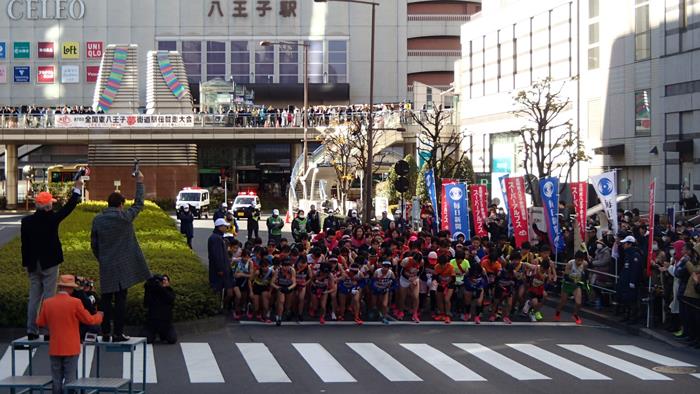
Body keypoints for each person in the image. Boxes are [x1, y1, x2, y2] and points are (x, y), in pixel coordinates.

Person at [91, 171, 151, 342]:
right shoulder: (125, 217)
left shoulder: (98, 220)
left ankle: (104, 332)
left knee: (106, 300)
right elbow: (139, 204)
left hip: (107, 265)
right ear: (120, 205)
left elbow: (93, 244)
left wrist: (101, 258)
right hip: (123, 266)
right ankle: (118, 333)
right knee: (120, 301)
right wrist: (140, 181)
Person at [21, 176, 83, 340]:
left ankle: (31, 330)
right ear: (48, 206)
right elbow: (69, 207)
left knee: (33, 297)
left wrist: (27, 263)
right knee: (49, 296)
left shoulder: (26, 221)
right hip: (50, 262)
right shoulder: (52, 218)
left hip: (33, 263)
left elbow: (24, 245)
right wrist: (77, 188)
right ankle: (48, 331)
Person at [36, 275, 103, 394]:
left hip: (55, 347)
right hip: (71, 346)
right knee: (70, 378)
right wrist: (99, 316)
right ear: (68, 288)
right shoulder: (75, 302)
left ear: (60, 287)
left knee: (56, 378)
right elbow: (89, 320)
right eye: (72, 288)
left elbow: (40, 322)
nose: (73, 290)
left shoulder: (48, 303)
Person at [554, 250, 589, 325]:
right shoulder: (570, 263)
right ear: (575, 259)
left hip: (576, 285)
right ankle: (558, 312)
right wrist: (574, 280)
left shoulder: (585, 264)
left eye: (581, 260)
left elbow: (585, 273)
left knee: (578, 302)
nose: (579, 262)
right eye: (578, 260)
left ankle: (575, 314)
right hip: (567, 284)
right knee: (563, 301)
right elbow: (566, 276)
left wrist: (583, 281)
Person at [143, 274, 177, 344]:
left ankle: (163, 335)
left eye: (165, 280)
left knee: (172, 339)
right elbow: (146, 303)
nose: (163, 281)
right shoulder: (153, 292)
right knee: (147, 339)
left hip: (166, 324)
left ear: (168, 282)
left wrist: (161, 288)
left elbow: (170, 299)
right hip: (152, 323)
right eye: (161, 280)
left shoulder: (170, 291)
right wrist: (149, 286)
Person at [208, 218, 234, 308]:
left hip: (224, 268)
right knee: (219, 290)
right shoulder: (216, 238)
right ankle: (219, 307)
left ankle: (223, 306)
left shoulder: (219, 237)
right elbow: (217, 255)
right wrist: (220, 269)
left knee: (227, 291)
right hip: (220, 270)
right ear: (219, 227)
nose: (226, 228)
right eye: (224, 226)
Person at [617, 235, 643, 324]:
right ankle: (626, 316)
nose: (623, 245)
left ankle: (633, 318)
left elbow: (635, 270)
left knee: (632, 300)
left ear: (630, 244)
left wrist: (632, 281)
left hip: (631, 282)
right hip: (625, 281)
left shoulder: (635, 255)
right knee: (626, 299)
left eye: (625, 243)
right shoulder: (627, 254)